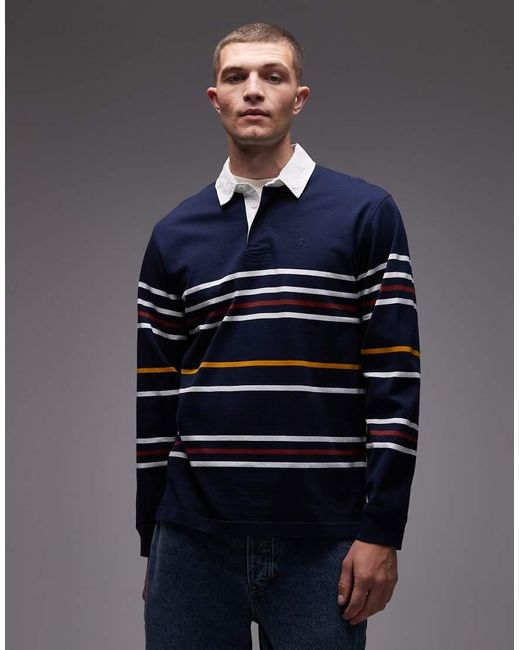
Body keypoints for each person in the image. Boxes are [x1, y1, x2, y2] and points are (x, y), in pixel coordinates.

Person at [136, 21, 420, 649]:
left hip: (323, 542)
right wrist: (152, 541)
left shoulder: (366, 213)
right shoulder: (173, 234)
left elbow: (395, 383)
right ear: (215, 98)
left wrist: (383, 530)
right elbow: (155, 397)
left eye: (273, 75)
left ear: (300, 97)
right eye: (235, 76)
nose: (253, 89)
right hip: (191, 542)